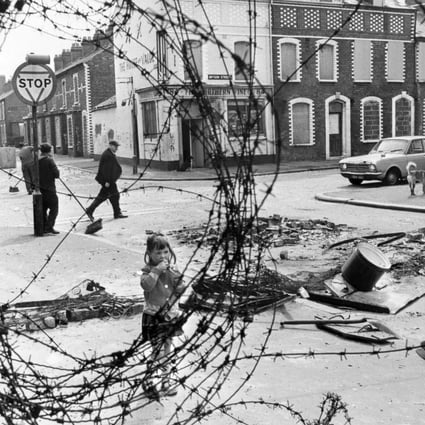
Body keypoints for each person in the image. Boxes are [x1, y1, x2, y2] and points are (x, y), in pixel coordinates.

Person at [140, 234, 185, 398]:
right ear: (149, 254)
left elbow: (181, 289)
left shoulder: (172, 269)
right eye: (158, 253)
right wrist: (157, 271)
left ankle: (166, 380)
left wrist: (177, 279)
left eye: (165, 252)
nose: (163, 256)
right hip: (154, 316)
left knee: (167, 347)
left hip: (170, 315)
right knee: (156, 350)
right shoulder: (147, 271)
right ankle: (149, 379)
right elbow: (147, 286)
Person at [85, 140, 127, 220]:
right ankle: (90, 210)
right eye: (115, 146)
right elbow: (106, 170)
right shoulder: (108, 155)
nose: (117, 148)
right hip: (108, 181)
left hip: (109, 180)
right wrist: (107, 181)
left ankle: (117, 212)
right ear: (110, 145)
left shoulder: (109, 154)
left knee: (113, 196)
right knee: (104, 196)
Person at [38, 143, 60, 235]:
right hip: (49, 188)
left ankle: (44, 227)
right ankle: (49, 226)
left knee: (43, 209)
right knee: (54, 208)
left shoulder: (36, 161)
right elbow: (56, 175)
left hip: (39, 189)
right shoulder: (50, 161)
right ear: (49, 151)